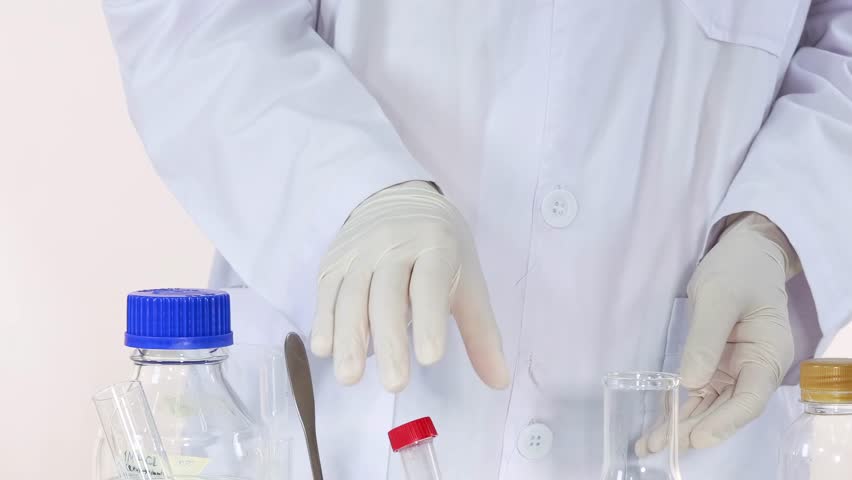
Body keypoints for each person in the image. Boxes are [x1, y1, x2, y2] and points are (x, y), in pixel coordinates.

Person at [102, 1, 852, 478]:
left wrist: (780, 225)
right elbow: (194, 18)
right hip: (352, 416)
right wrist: (349, 189)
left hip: (688, 414)